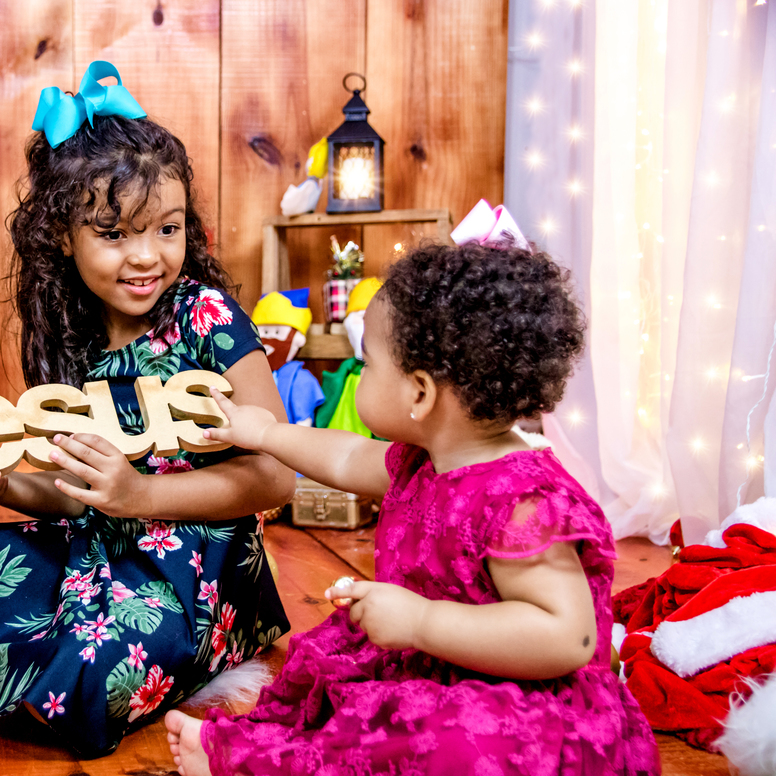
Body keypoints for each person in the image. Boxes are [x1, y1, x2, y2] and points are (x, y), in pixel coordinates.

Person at [0, 62, 293, 759]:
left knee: (85, 684)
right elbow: (76, 495)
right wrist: (1, 482)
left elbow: (277, 478)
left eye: (167, 229)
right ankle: (50, 650)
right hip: (95, 547)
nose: (147, 257)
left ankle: (74, 662)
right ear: (63, 236)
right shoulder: (68, 340)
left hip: (199, 572)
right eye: (115, 235)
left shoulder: (205, 316)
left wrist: (142, 493)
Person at [165, 217, 661, 775]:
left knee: (443, 737)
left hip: (522, 702)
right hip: (435, 662)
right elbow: (348, 456)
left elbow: (566, 637)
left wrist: (422, 622)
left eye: (370, 363)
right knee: (343, 688)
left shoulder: (523, 501)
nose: (362, 370)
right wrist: (264, 434)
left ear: (420, 393)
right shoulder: (424, 461)